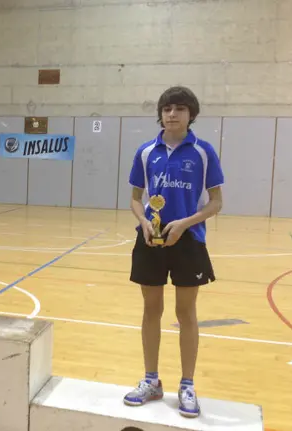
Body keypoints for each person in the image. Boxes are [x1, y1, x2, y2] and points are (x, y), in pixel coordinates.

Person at [123, 86, 224, 418]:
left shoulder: (203, 152)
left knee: (186, 313)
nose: (172, 114)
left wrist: (185, 223)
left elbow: (216, 203)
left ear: (191, 114)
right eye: (167, 109)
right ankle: (151, 380)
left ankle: (187, 385)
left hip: (189, 239)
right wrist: (143, 222)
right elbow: (136, 198)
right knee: (151, 310)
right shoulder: (145, 151)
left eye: (179, 108)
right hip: (150, 240)